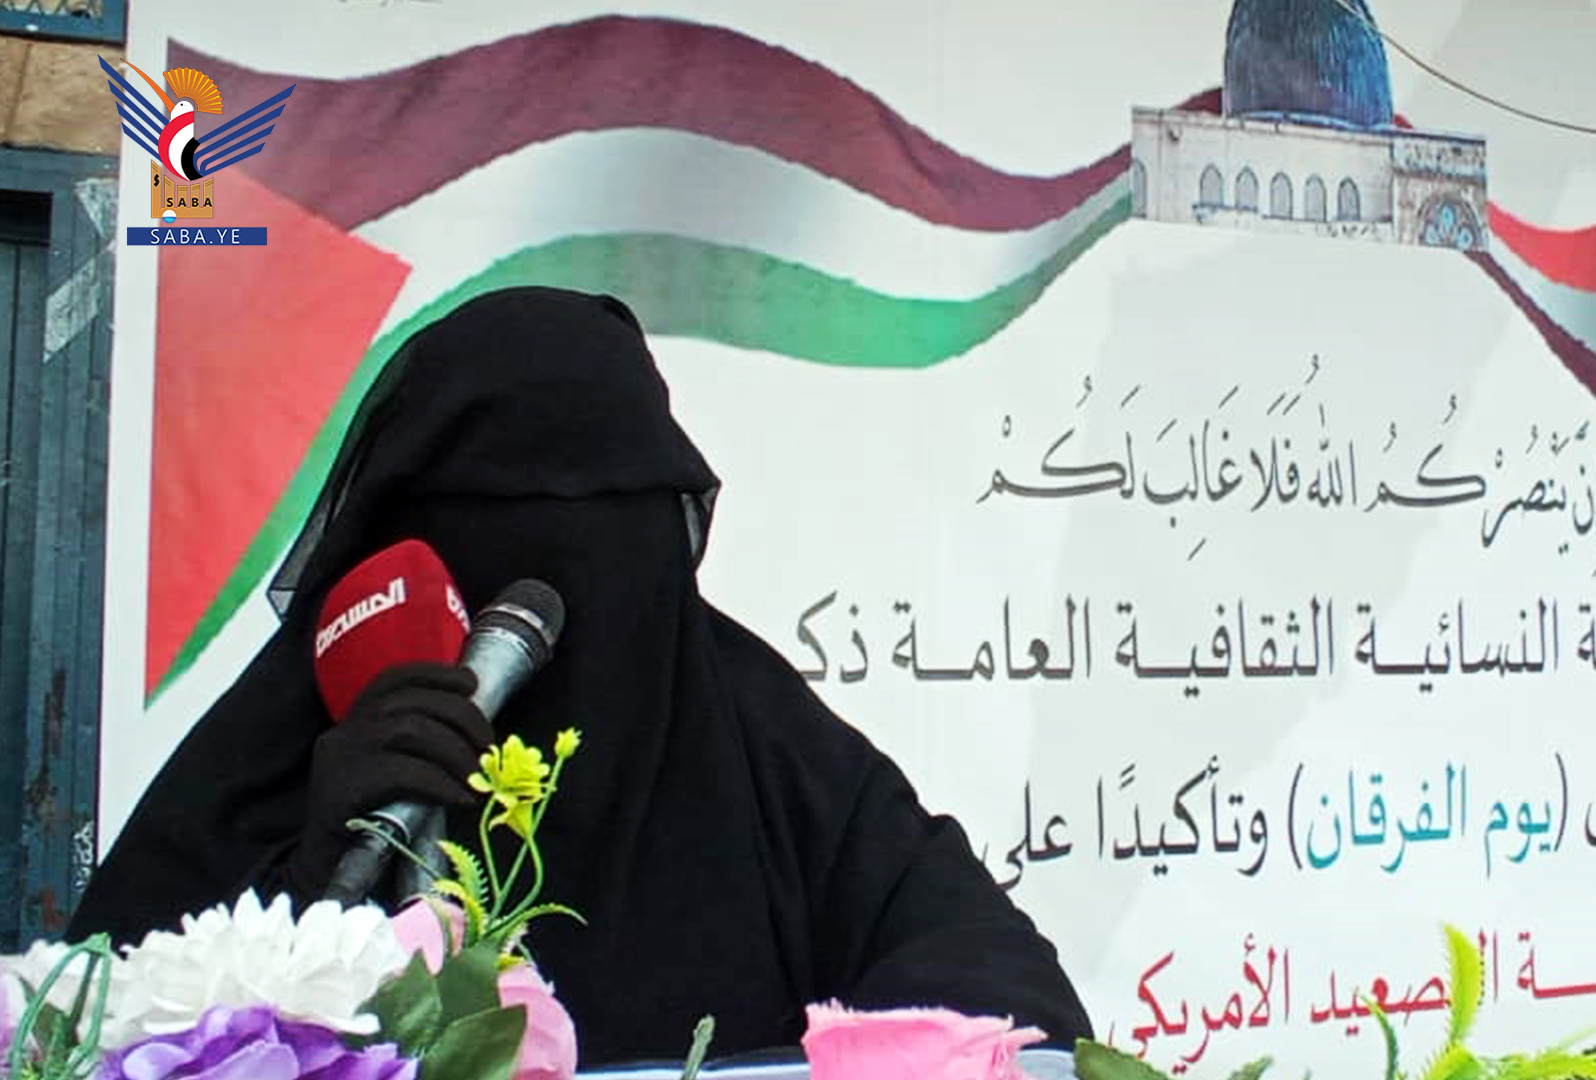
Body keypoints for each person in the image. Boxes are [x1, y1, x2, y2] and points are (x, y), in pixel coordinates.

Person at [66, 286, 1093, 1065]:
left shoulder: (768, 750)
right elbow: (90, 1031)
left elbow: (1005, 1006)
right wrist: (316, 879)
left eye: (605, 540)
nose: (544, 623)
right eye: (489, 535)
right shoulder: (292, 762)